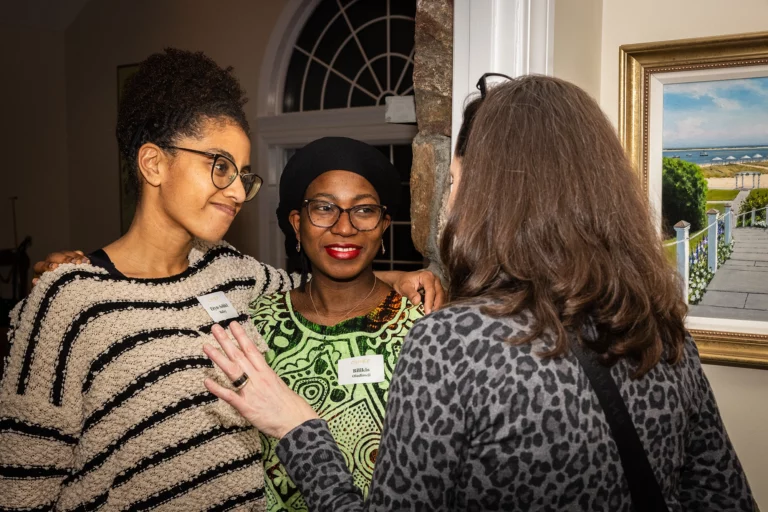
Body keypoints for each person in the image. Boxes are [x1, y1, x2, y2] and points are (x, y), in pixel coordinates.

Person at [202, 74, 755, 511]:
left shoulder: (451, 346)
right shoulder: (663, 334)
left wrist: (297, 429)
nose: (448, 196)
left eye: (456, 177)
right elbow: (727, 498)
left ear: (488, 191)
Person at [0, 49, 441, 511]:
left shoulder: (230, 273)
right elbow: (21, 488)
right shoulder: (66, 300)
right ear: (153, 164)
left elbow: (319, 284)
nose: (236, 191)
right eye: (220, 165)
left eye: (242, 175)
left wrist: (406, 277)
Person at [250, 137, 425, 511]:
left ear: (383, 226)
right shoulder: (258, 326)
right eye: (325, 208)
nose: (345, 227)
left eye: (363, 210)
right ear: (297, 224)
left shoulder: (421, 330)